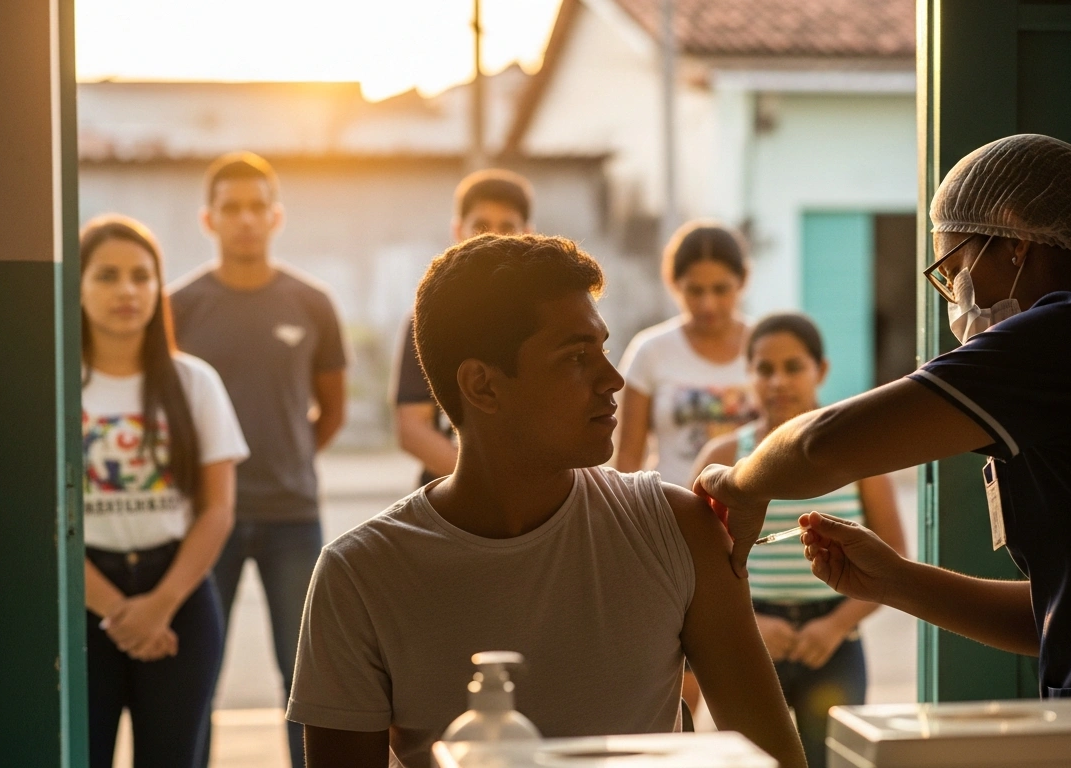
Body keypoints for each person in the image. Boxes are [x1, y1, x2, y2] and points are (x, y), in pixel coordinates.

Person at [694, 134, 1071, 767]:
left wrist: (738, 483)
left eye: (954, 269)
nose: (957, 298)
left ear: (1016, 239)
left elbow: (823, 446)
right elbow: (1061, 616)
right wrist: (896, 581)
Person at [287, 235, 808, 768]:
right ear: (482, 386)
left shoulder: (676, 528)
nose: (613, 379)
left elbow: (775, 757)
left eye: (603, 348)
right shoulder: (358, 577)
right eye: (577, 356)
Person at [169, 151, 348, 767]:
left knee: (306, 685)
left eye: (255, 207)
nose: (244, 219)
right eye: (230, 208)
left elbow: (332, 411)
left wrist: (287, 457)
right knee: (195, 682)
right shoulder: (178, 307)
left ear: (276, 216)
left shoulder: (313, 303)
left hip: (293, 516)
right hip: (202, 520)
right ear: (208, 219)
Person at [690, 312, 904, 768]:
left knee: (830, 760)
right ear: (748, 375)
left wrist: (833, 626)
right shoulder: (723, 458)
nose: (777, 381)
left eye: (793, 367)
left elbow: (894, 558)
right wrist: (752, 626)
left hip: (832, 644)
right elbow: (692, 564)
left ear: (820, 371)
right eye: (764, 369)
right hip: (747, 639)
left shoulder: (859, 451)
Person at [79, 215, 250, 768]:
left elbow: (218, 510)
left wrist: (160, 607)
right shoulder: (53, 384)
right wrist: (118, 611)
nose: (126, 290)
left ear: (158, 288)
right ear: (77, 287)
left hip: (178, 601)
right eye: (106, 276)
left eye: (140, 276)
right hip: (82, 598)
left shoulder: (193, 382)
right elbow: (41, 518)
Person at [614, 221, 757, 709]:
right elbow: (627, 456)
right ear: (673, 285)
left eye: (721, 289)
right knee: (682, 692)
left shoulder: (767, 349)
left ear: (744, 282)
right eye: (694, 291)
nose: (708, 304)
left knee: (754, 691)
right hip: (673, 533)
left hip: (752, 531)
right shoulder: (651, 351)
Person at [392, 169, 534, 487]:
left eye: (507, 226)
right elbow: (412, 429)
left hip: (535, 501)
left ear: (528, 233)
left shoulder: (550, 318)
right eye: (481, 226)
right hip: (451, 499)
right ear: (459, 231)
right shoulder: (427, 319)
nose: (494, 237)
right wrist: (489, 482)